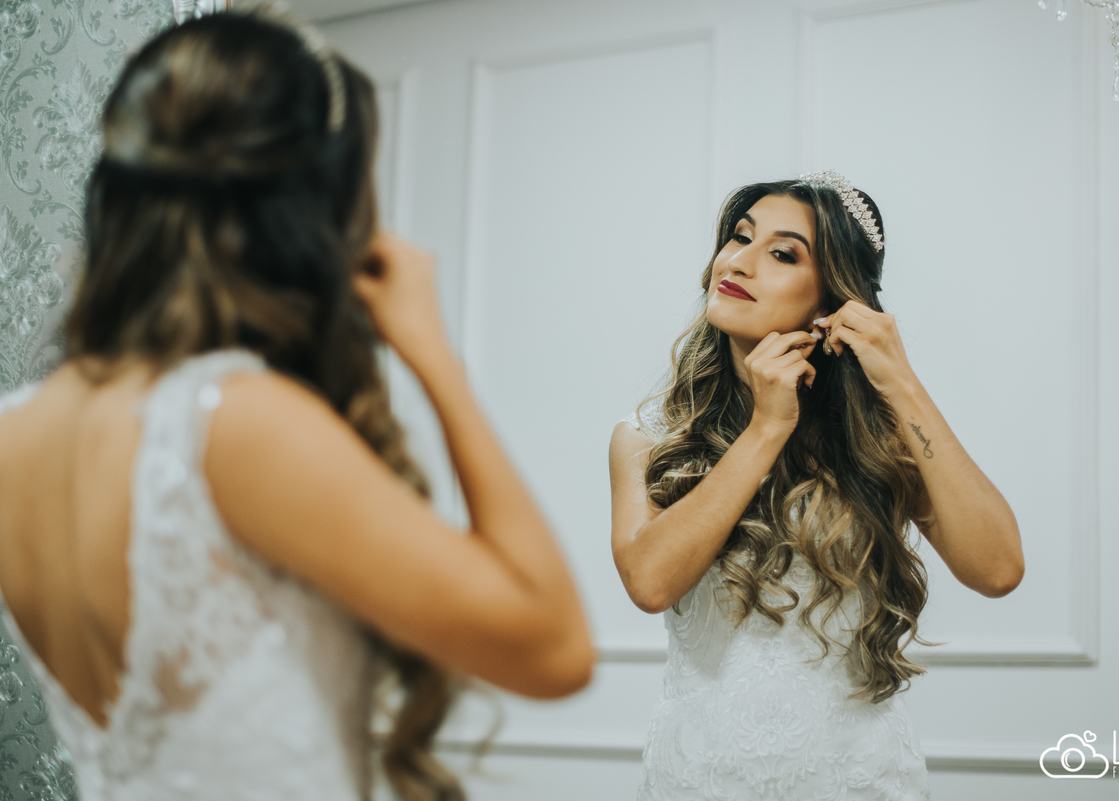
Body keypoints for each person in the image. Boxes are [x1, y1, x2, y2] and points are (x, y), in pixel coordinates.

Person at [0, 11, 593, 801]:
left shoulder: (16, 426)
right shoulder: (230, 418)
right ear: (315, 205)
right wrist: (433, 354)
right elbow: (553, 648)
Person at [609, 173, 1023, 800]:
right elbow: (650, 581)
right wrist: (766, 429)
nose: (739, 261)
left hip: (860, 778)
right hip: (698, 777)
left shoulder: (876, 440)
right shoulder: (649, 435)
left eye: (781, 253)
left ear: (832, 299)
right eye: (739, 237)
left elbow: (997, 568)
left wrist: (902, 382)